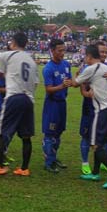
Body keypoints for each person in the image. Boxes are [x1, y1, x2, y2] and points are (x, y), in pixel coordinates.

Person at [0, 32, 38, 176]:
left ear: (13, 43)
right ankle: (24, 168)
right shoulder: (32, 61)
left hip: (14, 97)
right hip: (29, 99)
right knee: (26, 136)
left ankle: (0, 165)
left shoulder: (7, 55)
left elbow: (0, 73)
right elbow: (36, 83)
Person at [73, 44, 107, 189]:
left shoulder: (91, 68)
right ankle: (95, 173)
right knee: (101, 144)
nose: (84, 59)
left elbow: (75, 84)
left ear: (89, 56)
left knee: (95, 145)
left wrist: (75, 79)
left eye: (85, 56)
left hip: (103, 110)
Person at [42, 39, 73, 173]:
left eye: (63, 50)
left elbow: (69, 80)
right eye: (59, 50)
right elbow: (48, 89)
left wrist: (72, 81)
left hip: (62, 103)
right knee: (50, 134)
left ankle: (53, 157)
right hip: (52, 104)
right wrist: (62, 86)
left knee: (59, 133)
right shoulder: (48, 68)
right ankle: (48, 162)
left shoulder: (66, 64)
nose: (62, 53)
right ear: (52, 50)